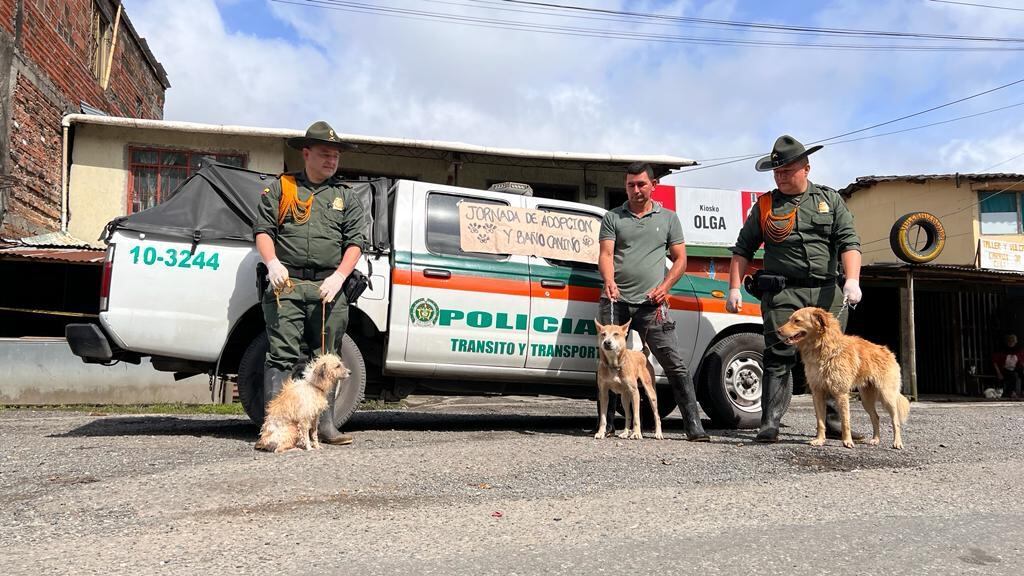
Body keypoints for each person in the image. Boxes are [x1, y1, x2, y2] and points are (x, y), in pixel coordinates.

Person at [725, 135, 863, 443]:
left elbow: (849, 242)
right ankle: (770, 423)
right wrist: (734, 287)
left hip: (825, 292)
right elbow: (743, 248)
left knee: (832, 355)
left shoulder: (830, 200)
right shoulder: (765, 205)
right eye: (777, 172)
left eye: (787, 170)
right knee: (778, 354)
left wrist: (852, 280)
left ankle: (835, 425)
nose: (780, 177)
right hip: (784, 293)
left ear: (806, 169)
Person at [253, 120, 367, 446]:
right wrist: (272, 262)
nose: (331, 161)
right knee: (281, 356)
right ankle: (275, 430)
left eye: (335, 156)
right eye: (324, 154)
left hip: (327, 288)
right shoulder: (282, 189)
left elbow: (355, 243)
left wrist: (340, 276)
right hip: (286, 285)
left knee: (327, 356)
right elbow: (263, 231)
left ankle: (325, 427)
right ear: (306, 154)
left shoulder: (345, 197)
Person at [597, 162, 710, 442]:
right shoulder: (612, 217)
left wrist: (665, 287)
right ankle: (607, 426)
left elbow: (680, 260)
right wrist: (609, 280)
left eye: (641, 184)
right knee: (607, 361)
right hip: (616, 301)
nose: (636, 190)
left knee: (674, 362)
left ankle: (693, 425)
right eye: (630, 185)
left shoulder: (669, 218)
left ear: (653, 185)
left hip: (652, 305)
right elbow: (606, 254)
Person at [992, 332, 1023, 399]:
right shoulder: (1002, 350)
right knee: (1013, 376)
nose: (1011, 342)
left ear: (1016, 342)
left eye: (1013, 341)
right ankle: (1012, 392)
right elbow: (995, 362)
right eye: (1010, 341)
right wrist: (999, 373)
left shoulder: (1018, 350)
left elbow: (1022, 361)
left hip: (1015, 368)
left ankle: (1023, 392)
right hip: (1004, 369)